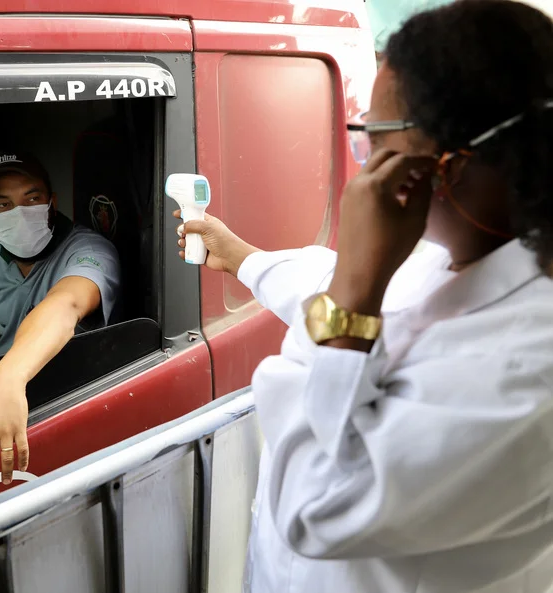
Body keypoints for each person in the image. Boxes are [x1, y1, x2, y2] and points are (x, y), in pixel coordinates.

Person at [177, 1, 553, 591]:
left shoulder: (530, 373)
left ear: (445, 164)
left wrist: (352, 296)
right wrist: (246, 259)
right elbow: (324, 283)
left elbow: (313, 507)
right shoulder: (451, 254)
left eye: (375, 134)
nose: (366, 158)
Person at [0, 151, 120, 490]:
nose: (20, 212)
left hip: (51, 390)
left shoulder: (89, 251)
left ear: (51, 203)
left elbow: (66, 304)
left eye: (32, 198)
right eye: (3, 205)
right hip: (5, 382)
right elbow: (1, 302)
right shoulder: (0, 251)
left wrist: (7, 378)